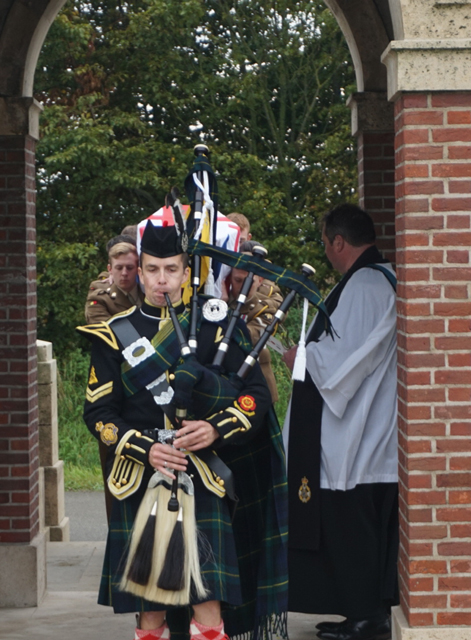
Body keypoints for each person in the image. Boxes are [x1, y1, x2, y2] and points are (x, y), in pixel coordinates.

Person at [79, 221, 289, 640]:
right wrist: (144, 449)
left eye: (171, 270)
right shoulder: (112, 335)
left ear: (186, 272)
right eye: (153, 270)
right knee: (150, 607)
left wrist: (215, 429)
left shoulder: (217, 327)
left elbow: (256, 397)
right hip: (143, 477)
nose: (162, 280)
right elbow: (98, 413)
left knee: (208, 599)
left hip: (203, 473)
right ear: (139, 273)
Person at [282, 204, 398, 640]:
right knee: (352, 529)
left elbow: (348, 359)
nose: (327, 252)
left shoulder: (367, 284)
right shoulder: (371, 279)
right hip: (360, 427)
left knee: (355, 530)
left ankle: (368, 616)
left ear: (338, 242)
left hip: (360, 433)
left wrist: (302, 358)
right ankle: (357, 611)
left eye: (326, 243)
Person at [226, 240, 283, 404]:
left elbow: (252, 336)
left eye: (249, 281)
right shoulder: (223, 299)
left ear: (260, 280)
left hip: (257, 386)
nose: (243, 287)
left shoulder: (267, 306)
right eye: (237, 280)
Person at [85, 237, 143, 325]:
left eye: (130, 268)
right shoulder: (100, 298)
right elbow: (104, 331)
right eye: (119, 268)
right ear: (110, 269)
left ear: (138, 269)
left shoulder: (148, 291)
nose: (124, 273)